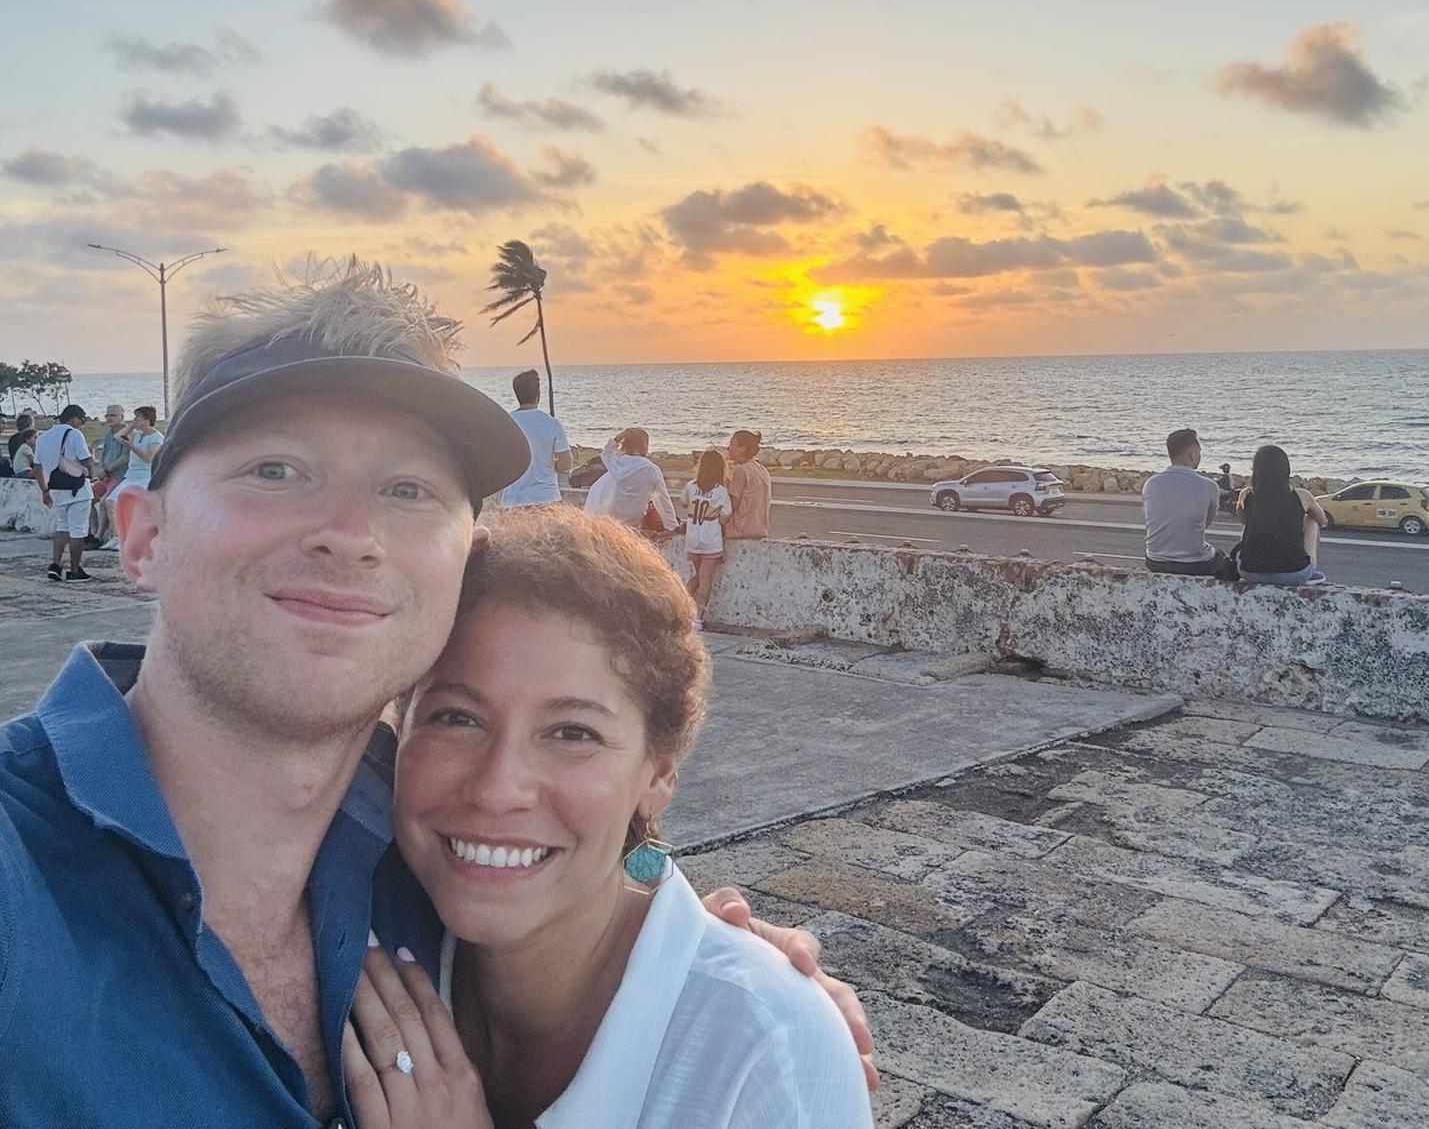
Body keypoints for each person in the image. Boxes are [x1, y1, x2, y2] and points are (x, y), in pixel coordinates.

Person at [0, 258, 873, 1126]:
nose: (351, 536)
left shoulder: (425, 860)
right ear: (143, 537)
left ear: (460, 562)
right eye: (275, 470)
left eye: (407, 489)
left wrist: (728, 993)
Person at [346, 508, 873, 1128]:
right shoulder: (352, 922)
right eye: (456, 718)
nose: (496, 789)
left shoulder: (762, 1059)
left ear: (658, 775)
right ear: (396, 729)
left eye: (573, 732)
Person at [1141, 427, 1230, 577]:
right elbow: (1204, 524)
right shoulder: (1209, 486)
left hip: (1154, 560)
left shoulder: (1151, 483)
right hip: (1193, 563)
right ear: (1192, 454)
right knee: (1224, 560)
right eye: (1199, 452)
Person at [1237, 444, 1329, 587]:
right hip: (1295, 574)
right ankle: (1308, 566)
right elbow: (1322, 520)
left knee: (1250, 521)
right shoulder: (1302, 496)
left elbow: (1242, 519)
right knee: (1312, 520)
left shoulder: (1245, 495)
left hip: (1249, 572)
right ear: (1286, 471)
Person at [30, 402, 95, 583]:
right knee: (78, 531)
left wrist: (44, 490)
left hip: (56, 489)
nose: (81, 423)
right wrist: (93, 466)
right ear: (74, 417)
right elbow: (86, 461)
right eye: (82, 420)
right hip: (77, 491)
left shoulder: (42, 438)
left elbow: (37, 467)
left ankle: (56, 565)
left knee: (62, 528)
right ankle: (74, 571)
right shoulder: (74, 434)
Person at [499, 368, 572, 508]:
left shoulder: (506, 422)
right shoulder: (552, 424)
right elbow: (565, 464)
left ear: (517, 394)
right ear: (538, 394)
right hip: (546, 497)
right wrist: (548, 464)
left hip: (513, 500)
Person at [584, 427, 679, 533]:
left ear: (624, 446)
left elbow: (606, 452)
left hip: (596, 519)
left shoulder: (615, 462)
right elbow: (664, 502)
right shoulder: (651, 469)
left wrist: (618, 437)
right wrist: (673, 528)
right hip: (626, 527)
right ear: (645, 447)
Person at [682, 448, 733, 631]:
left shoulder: (691, 486)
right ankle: (697, 618)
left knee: (697, 576)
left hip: (693, 536)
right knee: (705, 579)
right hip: (710, 538)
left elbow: (683, 502)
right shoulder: (721, 491)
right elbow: (725, 516)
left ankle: (680, 609)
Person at [102, 404, 165, 548]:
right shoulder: (137, 435)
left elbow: (149, 457)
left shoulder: (156, 437)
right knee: (110, 502)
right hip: (130, 476)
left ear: (148, 419)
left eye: (139, 418)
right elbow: (118, 436)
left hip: (145, 477)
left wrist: (131, 446)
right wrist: (131, 426)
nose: (136, 421)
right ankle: (118, 537)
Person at [90, 402, 131, 545]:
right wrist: (101, 469)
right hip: (106, 476)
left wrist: (107, 469)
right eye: (108, 415)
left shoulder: (127, 433)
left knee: (103, 502)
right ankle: (93, 531)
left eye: (113, 415)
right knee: (88, 496)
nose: (110, 418)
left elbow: (125, 457)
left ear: (122, 416)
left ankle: (99, 536)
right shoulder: (109, 435)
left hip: (120, 476)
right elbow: (103, 455)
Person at [723, 428, 771, 541]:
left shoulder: (741, 471)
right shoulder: (762, 469)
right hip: (759, 529)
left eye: (732, 444)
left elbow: (731, 506)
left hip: (740, 530)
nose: (728, 448)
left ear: (743, 448)